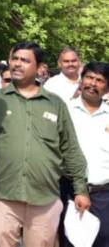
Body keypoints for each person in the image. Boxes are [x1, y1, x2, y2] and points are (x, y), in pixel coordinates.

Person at [0, 42, 90, 246]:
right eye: (15, 59)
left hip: (45, 199)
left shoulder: (55, 103)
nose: (17, 64)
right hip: (2, 196)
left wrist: (80, 189)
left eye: (25, 60)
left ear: (39, 67)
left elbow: (70, 148)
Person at [64, 61, 109, 246]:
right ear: (81, 81)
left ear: (107, 88)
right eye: (89, 77)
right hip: (68, 192)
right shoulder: (64, 111)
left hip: (103, 196)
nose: (93, 83)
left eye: (99, 80)